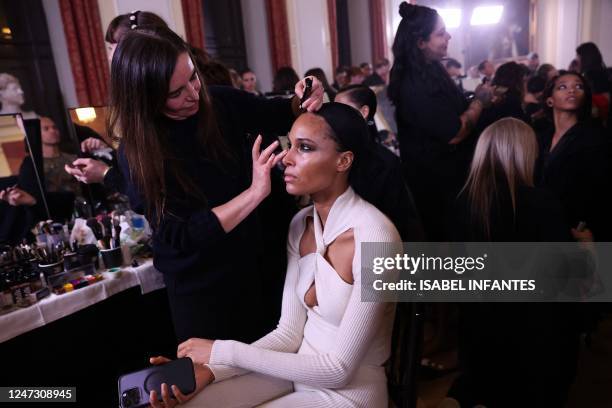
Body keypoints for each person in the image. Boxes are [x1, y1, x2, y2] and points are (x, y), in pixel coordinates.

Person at [147, 103, 401, 408]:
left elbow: (339, 370)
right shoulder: (301, 225)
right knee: (188, 404)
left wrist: (221, 353)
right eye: (289, 144)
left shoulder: (377, 238)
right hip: (295, 376)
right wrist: (210, 372)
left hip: (350, 393)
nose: (287, 158)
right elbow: (287, 335)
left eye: (304, 148)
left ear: (343, 160)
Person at [111, 27, 324, 345]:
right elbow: (181, 234)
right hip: (206, 292)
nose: (193, 95)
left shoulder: (218, 103)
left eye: (193, 78)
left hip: (263, 268)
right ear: (145, 98)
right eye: (175, 93)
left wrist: (305, 95)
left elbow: (280, 112)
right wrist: (254, 194)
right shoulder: (138, 153)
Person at [448, 118, 581, 407]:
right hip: (536, 340)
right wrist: (587, 246)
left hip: (480, 335)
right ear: (524, 152)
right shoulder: (541, 203)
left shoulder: (464, 203)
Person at [388, 2, 494, 240]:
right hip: (437, 186)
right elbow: (455, 131)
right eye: (440, 33)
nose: (448, 36)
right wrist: (479, 102)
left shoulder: (432, 68)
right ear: (420, 43)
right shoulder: (413, 84)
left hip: (451, 178)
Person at [334, 85, 424, 241]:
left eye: (342, 109)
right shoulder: (340, 151)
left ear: (364, 112)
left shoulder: (382, 162)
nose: (335, 116)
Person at [536, 72, 612, 241]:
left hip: (576, 230)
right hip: (542, 227)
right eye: (562, 87)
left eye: (579, 86)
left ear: (584, 97)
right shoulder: (539, 139)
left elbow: (601, 192)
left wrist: (593, 231)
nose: (572, 90)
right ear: (550, 100)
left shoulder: (595, 138)